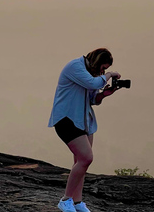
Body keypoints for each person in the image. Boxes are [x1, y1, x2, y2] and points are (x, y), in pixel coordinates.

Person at [48, 48, 122, 212]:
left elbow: (93, 98)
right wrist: (109, 75)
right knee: (86, 158)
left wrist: (105, 94)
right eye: (103, 67)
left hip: (84, 121)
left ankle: (77, 202)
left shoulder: (92, 75)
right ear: (96, 62)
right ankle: (65, 200)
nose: (103, 71)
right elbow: (93, 84)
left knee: (80, 162)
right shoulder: (75, 67)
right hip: (66, 119)